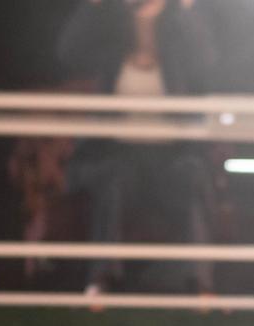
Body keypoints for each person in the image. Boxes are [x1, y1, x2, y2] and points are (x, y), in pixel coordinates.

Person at [57, 0, 221, 295]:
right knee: (115, 175)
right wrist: (93, 5)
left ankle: (200, 286)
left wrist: (187, 9)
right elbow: (68, 52)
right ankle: (100, 282)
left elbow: (206, 62)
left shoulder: (177, 25)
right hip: (118, 152)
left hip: (172, 155)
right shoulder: (111, 23)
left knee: (193, 173)